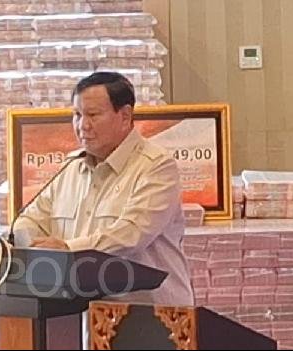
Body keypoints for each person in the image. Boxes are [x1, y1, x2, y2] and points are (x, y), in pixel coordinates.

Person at [12, 71, 193, 306]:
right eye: (77, 115)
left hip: (149, 311)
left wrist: (68, 249)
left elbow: (131, 234)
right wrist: (33, 250)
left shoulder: (156, 167)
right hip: (79, 310)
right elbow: (29, 219)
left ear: (125, 116)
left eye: (93, 115)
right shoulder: (70, 168)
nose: (82, 126)